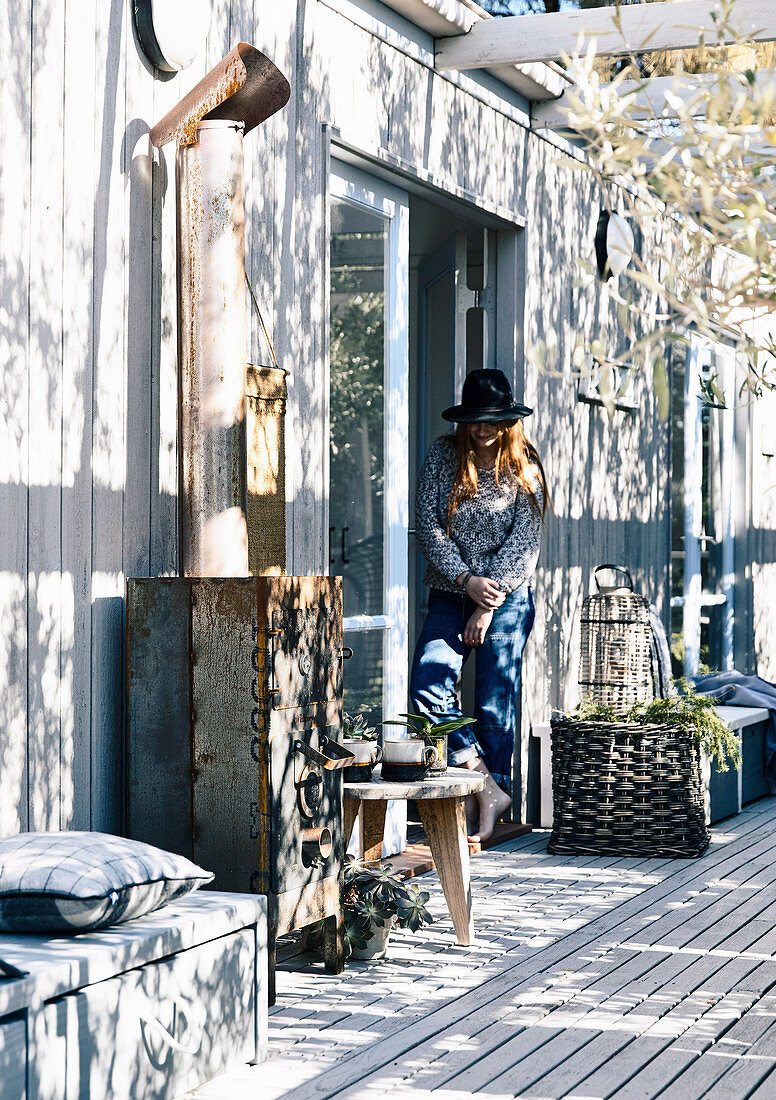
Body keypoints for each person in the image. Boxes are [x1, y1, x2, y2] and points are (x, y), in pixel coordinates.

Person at [410, 368, 548, 843]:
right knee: (429, 684)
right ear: (464, 422)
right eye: (476, 421)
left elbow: (526, 540)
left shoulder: (524, 463)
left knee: (494, 702)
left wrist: (489, 599)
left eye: (494, 421)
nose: (485, 429)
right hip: (451, 592)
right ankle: (484, 785)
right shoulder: (442, 457)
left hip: (506, 600)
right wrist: (466, 581)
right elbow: (427, 527)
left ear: (509, 422)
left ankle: (490, 813)